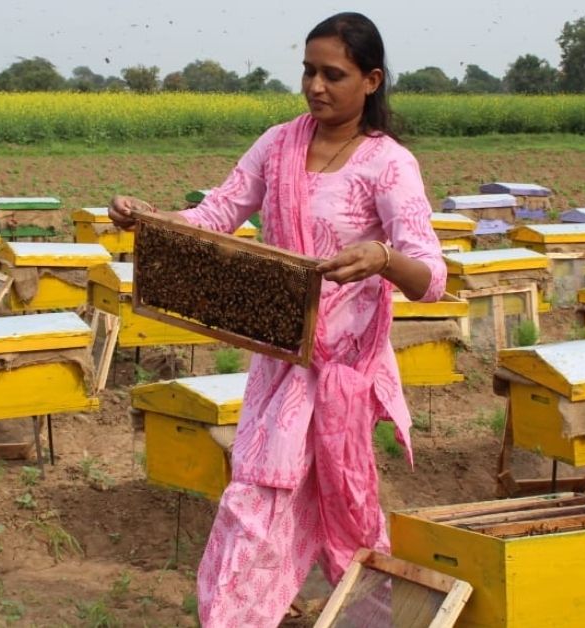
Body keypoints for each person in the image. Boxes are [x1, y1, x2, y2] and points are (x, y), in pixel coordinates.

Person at [109, 11, 447, 626]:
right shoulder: (278, 143)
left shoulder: (389, 164)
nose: (317, 86)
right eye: (309, 71)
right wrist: (151, 220)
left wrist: (383, 257)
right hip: (280, 362)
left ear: (371, 81)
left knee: (288, 502)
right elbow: (216, 216)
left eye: (334, 74)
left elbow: (431, 275)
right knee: (271, 498)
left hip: (342, 373)